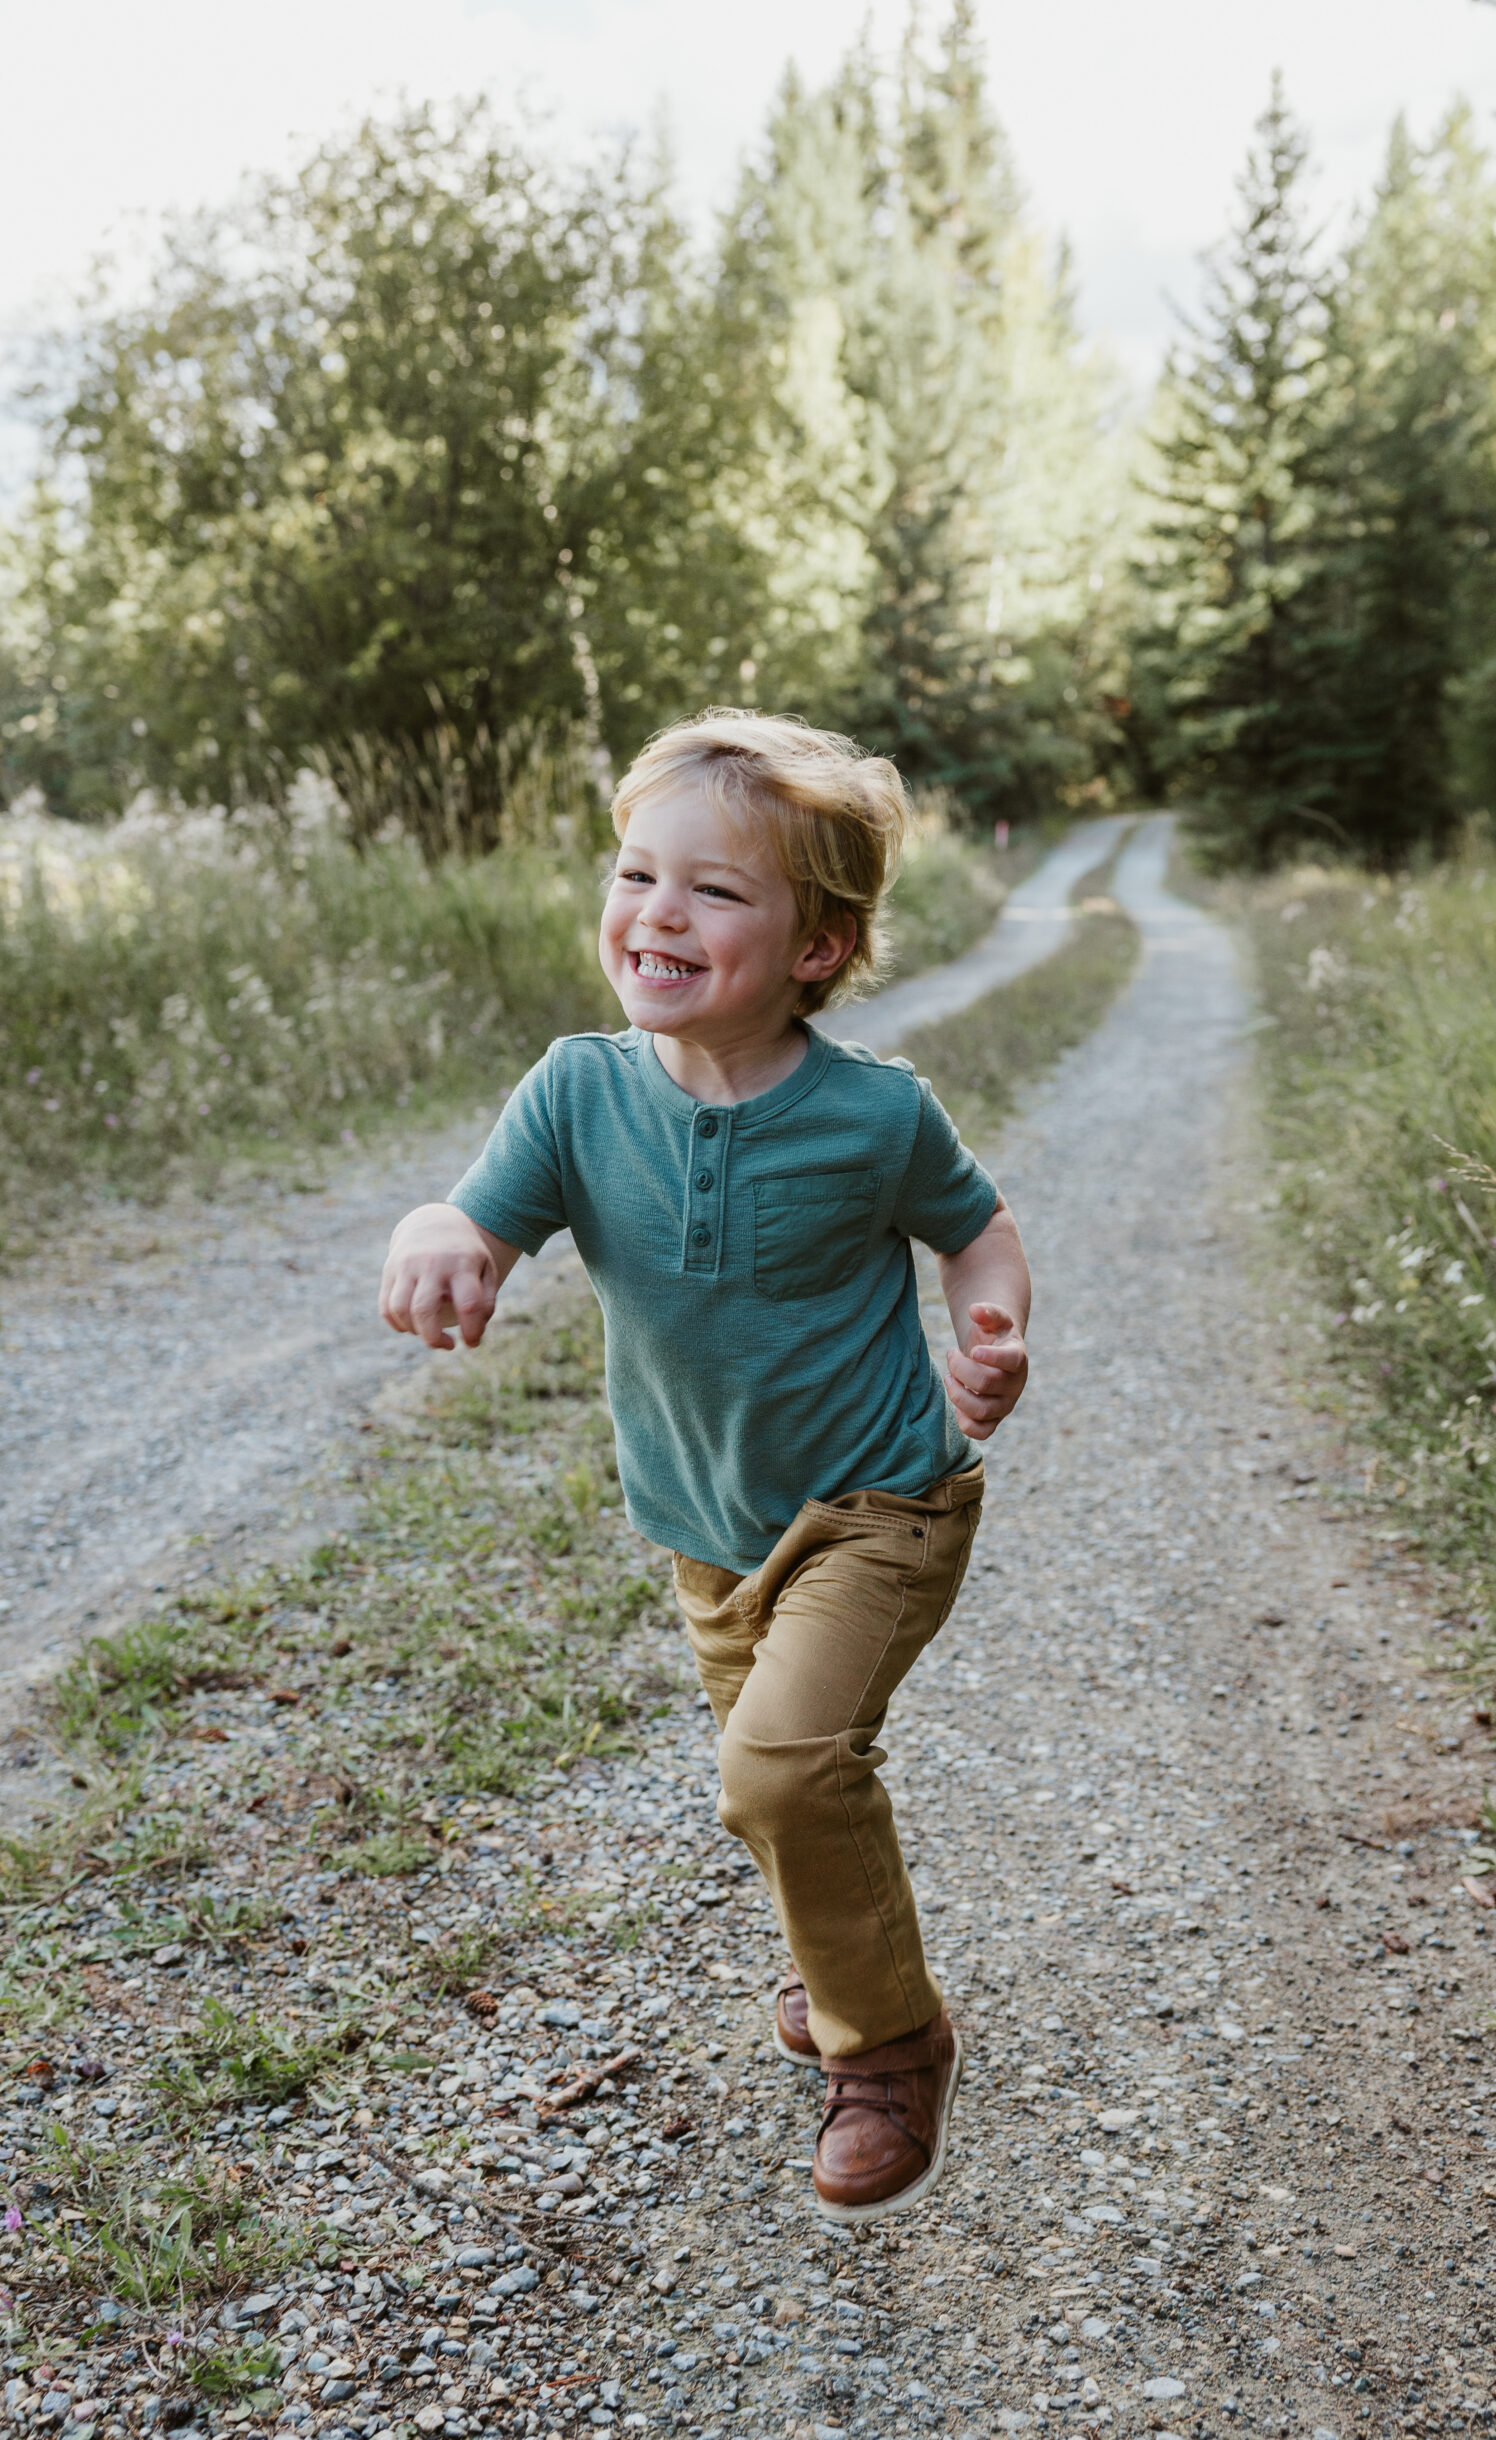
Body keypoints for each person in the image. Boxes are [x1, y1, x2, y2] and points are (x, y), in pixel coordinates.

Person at [378, 710, 1030, 2221]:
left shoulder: (875, 1114)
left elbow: (974, 1224)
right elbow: (476, 1215)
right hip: (707, 1532)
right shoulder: (576, 1092)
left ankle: (890, 2049)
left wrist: (986, 1325)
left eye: (716, 891)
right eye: (635, 873)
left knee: (782, 1767)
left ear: (820, 944)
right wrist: (439, 1237)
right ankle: (836, 1963)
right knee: (783, 1792)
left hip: (883, 1502)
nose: (657, 912)